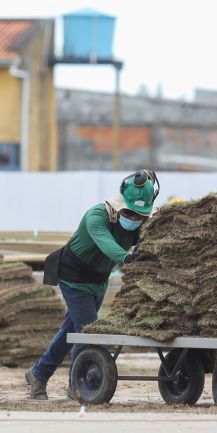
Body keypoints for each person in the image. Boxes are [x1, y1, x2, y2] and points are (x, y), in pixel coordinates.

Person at [26, 170, 159, 400]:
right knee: (88, 331)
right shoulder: (96, 216)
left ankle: (38, 373)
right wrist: (127, 258)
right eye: (131, 213)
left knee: (72, 330)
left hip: (98, 282)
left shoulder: (137, 227)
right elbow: (107, 244)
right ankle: (76, 385)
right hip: (73, 278)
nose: (135, 219)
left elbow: (148, 242)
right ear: (119, 206)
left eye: (140, 216)